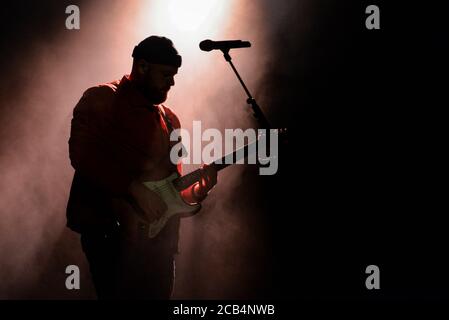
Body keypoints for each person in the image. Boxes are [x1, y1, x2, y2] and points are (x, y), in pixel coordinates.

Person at [66, 36, 217, 299]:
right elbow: (81, 154)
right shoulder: (101, 97)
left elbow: (170, 190)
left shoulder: (170, 119)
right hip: (111, 236)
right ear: (142, 67)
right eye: (166, 74)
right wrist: (132, 188)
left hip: (161, 245)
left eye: (174, 75)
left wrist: (196, 192)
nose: (172, 82)